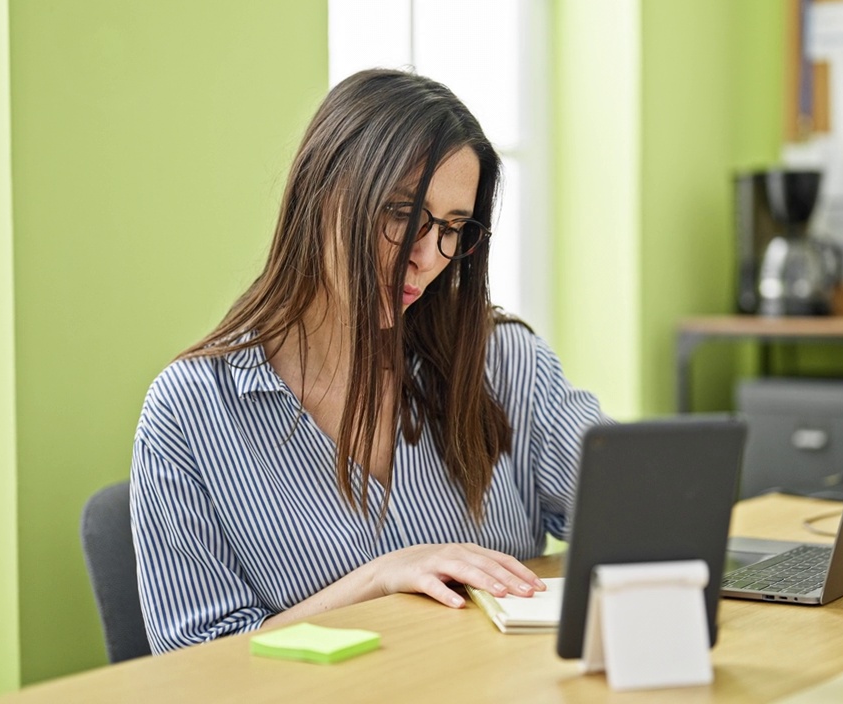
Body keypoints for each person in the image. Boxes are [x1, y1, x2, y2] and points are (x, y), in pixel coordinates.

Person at [130, 69, 606, 654]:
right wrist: (377, 579)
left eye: (455, 228)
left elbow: (633, 511)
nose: (428, 258)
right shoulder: (189, 411)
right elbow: (193, 668)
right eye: (403, 215)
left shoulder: (503, 360)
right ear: (322, 192)